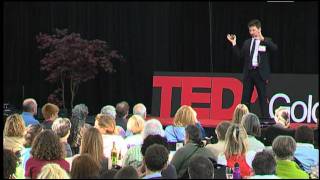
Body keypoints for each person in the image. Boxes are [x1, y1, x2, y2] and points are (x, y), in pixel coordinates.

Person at [227, 19, 278, 119]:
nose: (251, 32)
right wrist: (234, 43)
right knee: (245, 99)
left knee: (263, 98)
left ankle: (266, 121)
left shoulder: (266, 41)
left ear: (259, 29)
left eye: (253, 30)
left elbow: (275, 49)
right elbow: (240, 56)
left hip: (260, 74)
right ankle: (244, 119)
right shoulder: (247, 42)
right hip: (249, 73)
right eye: (250, 30)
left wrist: (263, 39)